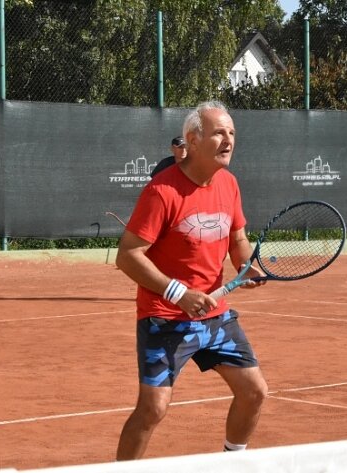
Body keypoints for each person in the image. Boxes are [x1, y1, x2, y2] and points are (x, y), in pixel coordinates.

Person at [115, 100, 268, 461]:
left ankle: (232, 463)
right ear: (193, 140)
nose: (228, 139)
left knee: (254, 392)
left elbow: (238, 240)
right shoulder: (162, 191)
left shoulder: (229, 184)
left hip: (216, 315)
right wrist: (178, 293)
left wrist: (247, 265)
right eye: (218, 132)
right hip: (164, 317)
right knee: (153, 409)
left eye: (232, 133)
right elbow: (128, 255)